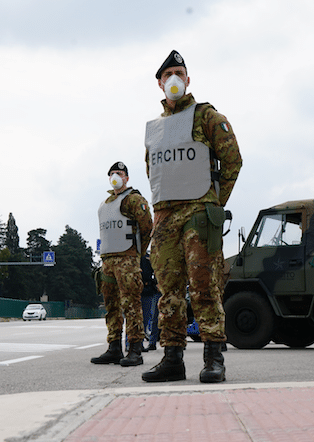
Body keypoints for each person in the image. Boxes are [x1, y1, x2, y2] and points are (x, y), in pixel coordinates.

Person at [142, 50, 242, 383]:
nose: (174, 78)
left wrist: (214, 203)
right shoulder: (154, 129)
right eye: (168, 73)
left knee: (204, 286)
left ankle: (214, 357)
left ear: (188, 79)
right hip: (166, 217)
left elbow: (233, 161)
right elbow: (153, 172)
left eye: (179, 72)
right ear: (159, 83)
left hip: (199, 213)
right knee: (168, 292)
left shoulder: (207, 117)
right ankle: (172, 358)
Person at [92, 161, 153, 366]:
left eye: (119, 173)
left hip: (127, 259)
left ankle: (135, 349)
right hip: (107, 261)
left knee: (131, 305)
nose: (115, 176)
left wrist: (137, 253)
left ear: (126, 177)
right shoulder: (105, 204)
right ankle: (114, 347)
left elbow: (147, 228)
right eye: (111, 173)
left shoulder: (134, 200)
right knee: (111, 306)